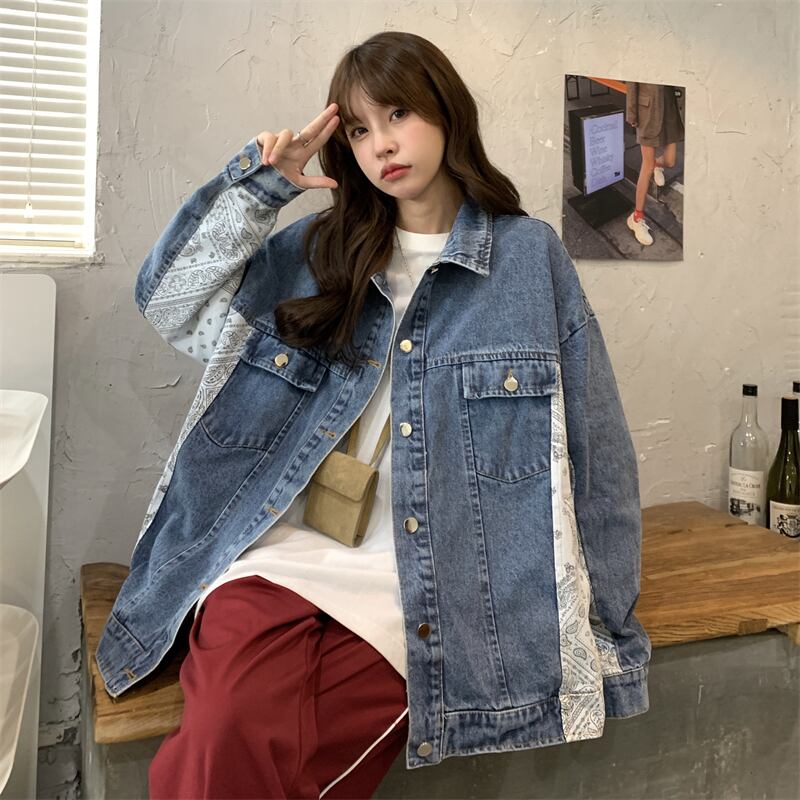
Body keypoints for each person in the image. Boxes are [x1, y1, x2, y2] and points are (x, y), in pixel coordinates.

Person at [107, 30, 651, 800]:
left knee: (259, 762)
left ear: (446, 112)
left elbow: (597, 450)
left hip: (438, 579)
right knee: (226, 722)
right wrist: (258, 190)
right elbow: (170, 304)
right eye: (360, 130)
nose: (382, 145)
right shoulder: (315, 252)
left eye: (398, 114)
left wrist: (610, 634)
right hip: (281, 550)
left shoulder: (527, 258)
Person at [625, 81, 685, 245]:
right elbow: (632, 82)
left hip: (669, 111)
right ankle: (636, 218)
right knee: (647, 166)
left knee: (670, 161)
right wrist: (632, 114)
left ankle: (658, 165)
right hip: (647, 112)